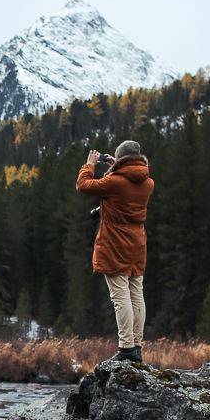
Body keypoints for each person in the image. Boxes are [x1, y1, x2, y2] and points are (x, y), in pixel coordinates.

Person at [75, 140, 154, 362]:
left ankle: (126, 348)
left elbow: (84, 185)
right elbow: (123, 184)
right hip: (137, 245)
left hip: (115, 245)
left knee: (120, 296)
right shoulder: (148, 182)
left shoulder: (115, 182)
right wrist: (115, 165)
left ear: (121, 160)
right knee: (136, 294)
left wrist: (89, 164)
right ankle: (136, 346)